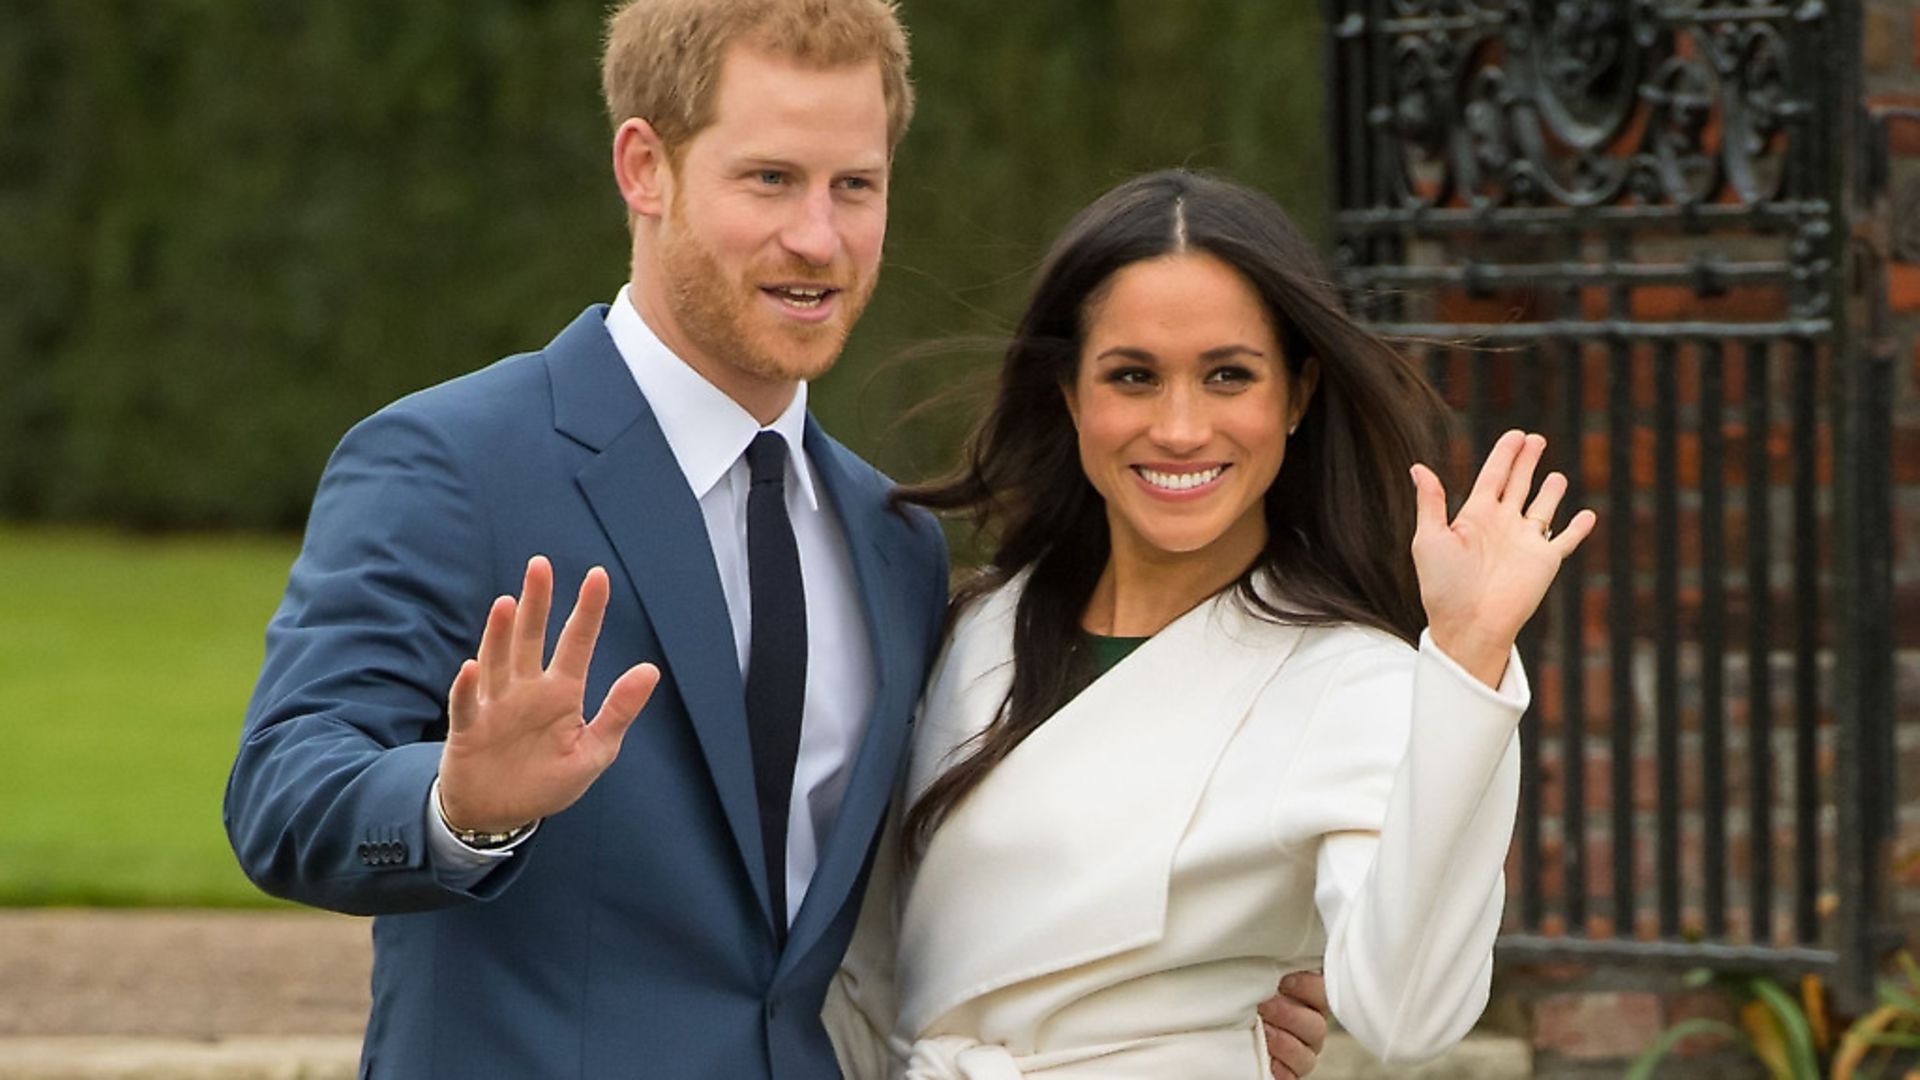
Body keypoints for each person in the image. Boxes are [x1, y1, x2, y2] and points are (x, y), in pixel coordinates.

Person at [223, 4, 1330, 1077]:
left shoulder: (889, 540)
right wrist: (459, 806)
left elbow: (916, 905)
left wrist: (1182, 1000)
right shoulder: (451, 462)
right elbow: (282, 796)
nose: (819, 237)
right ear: (644, 167)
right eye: (770, 180)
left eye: (856, 186)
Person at [823, 170, 1596, 1078]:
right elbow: (852, 960)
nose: (1181, 427)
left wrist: (1467, 659)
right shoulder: (966, 629)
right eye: (1134, 377)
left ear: (1297, 396)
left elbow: (1408, 1016)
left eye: (1229, 375)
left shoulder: (1352, 685)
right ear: (1071, 394)